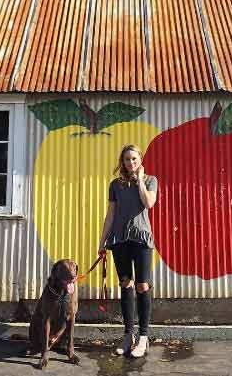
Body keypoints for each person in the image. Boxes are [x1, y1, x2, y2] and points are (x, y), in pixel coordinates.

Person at [98, 144, 158, 358]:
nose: (130, 163)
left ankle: (143, 337)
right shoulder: (115, 185)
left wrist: (140, 179)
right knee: (126, 284)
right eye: (126, 159)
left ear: (140, 159)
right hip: (120, 240)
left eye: (134, 158)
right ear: (121, 162)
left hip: (141, 239)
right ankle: (128, 336)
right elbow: (111, 214)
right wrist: (102, 241)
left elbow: (149, 203)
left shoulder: (151, 180)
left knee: (142, 285)